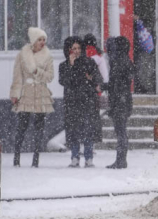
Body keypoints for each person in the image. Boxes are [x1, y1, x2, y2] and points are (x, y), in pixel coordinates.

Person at [9, 27, 55, 167]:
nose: (42, 42)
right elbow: (17, 77)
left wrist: (37, 72)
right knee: (22, 127)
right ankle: (16, 159)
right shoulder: (22, 55)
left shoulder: (48, 56)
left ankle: (36, 160)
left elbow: (50, 77)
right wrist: (15, 94)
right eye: (39, 39)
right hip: (26, 93)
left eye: (44, 40)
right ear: (33, 41)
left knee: (39, 128)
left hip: (41, 93)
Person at [59, 36, 102, 168]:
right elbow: (64, 81)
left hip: (87, 101)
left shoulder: (89, 62)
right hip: (72, 103)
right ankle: (75, 157)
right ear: (68, 50)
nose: (76, 51)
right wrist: (71, 66)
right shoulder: (64, 65)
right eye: (73, 49)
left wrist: (91, 78)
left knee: (88, 130)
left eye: (78, 48)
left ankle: (89, 158)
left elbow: (97, 78)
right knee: (73, 131)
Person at [104, 36, 135, 169]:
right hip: (124, 99)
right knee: (122, 131)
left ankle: (121, 160)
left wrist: (104, 86)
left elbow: (115, 84)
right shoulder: (126, 61)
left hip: (119, 101)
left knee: (120, 131)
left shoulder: (118, 62)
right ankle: (121, 159)